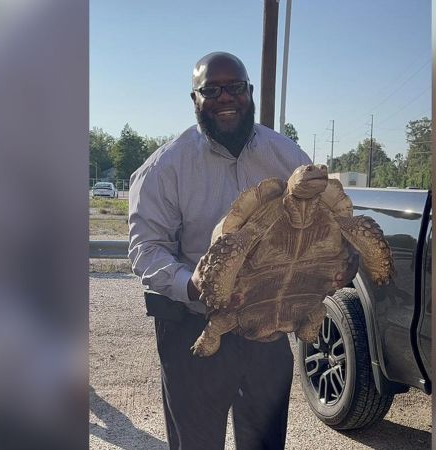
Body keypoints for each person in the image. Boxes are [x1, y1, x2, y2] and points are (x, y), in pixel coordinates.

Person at [128, 52, 311, 449]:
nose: (224, 97)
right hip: (194, 329)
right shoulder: (165, 167)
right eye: (211, 90)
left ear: (249, 92)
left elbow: (315, 224)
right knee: (195, 443)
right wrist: (190, 284)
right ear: (194, 99)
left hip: (268, 326)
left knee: (265, 441)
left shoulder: (288, 157)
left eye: (234, 87)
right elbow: (146, 248)